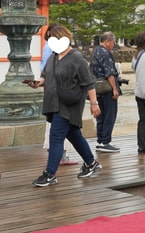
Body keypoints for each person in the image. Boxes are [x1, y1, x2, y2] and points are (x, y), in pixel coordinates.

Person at [28, 25, 102, 187]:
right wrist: (36, 83)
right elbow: (45, 77)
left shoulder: (77, 59)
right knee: (73, 134)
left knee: (56, 136)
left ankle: (50, 174)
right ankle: (91, 163)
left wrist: (94, 104)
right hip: (54, 102)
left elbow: (89, 83)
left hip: (70, 104)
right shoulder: (53, 58)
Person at [41, 23, 77, 165]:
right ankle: (60, 158)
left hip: (51, 92)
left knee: (57, 126)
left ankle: (57, 158)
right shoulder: (57, 51)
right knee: (64, 127)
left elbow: (45, 71)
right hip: (61, 94)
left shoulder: (47, 48)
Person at [89, 31, 121, 152]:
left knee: (100, 116)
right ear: (107, 41)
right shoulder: (106, 54)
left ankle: (100, 140)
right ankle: (106, 141)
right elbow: (110, 73)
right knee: (110, 114)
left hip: (97, 89)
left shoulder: (95, 52)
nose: (114, 44)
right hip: (107, 89)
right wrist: (115, 89)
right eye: (113, 42)